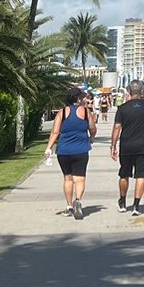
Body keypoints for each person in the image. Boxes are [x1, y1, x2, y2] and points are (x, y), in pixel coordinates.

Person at [46, 86, 96, 219]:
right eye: (82, 97)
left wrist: (49, 147)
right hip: (81, 150)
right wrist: (91, 138)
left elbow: (55, 131)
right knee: (79, 179)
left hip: (64, 150)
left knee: (68, 178)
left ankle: (69, 206)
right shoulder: (86, 112)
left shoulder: (61, 113)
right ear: (78, 99)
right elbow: (92, 128)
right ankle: (77, 200)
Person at [112, 78, 144, 215]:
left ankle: (122, 201)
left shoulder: (122, 108)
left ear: (129, 91)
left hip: (126, 146)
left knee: (124, 175)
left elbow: (117, 128)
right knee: (141, 175)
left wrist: (113, 145)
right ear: (141, 91)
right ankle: (136, 206)